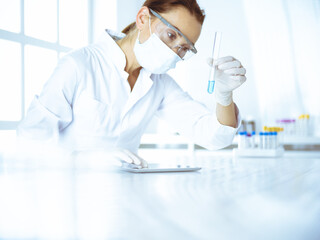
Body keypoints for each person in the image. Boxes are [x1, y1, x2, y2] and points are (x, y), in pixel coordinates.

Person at [17, 0, 246, 168]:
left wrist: (224, 97)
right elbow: (29, 141)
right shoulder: (79, 65)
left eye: (185, 48)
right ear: (143, 19)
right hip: (67, 193)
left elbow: (213, 137)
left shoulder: (160, 84)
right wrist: (86, 159)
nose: (176, 52)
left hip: (124, 199)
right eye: (171, 35)